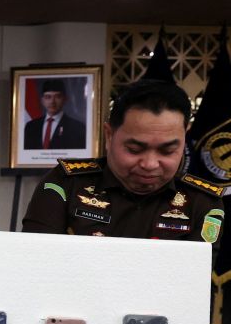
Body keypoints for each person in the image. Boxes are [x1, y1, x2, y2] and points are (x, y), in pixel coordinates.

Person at [22, 78, 222, 248]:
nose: (150, 164)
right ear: (109, 136)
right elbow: (38, 266)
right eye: (134, 150)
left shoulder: (202, 202)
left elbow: (192, 283)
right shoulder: (63, 185)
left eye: (167, 150)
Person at [23, 79, 87, 150]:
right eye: (48, 97)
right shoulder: (30, 127)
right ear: (42, 100)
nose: (52, 102)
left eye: (57, 97)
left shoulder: (77, 128)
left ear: (65, 99)